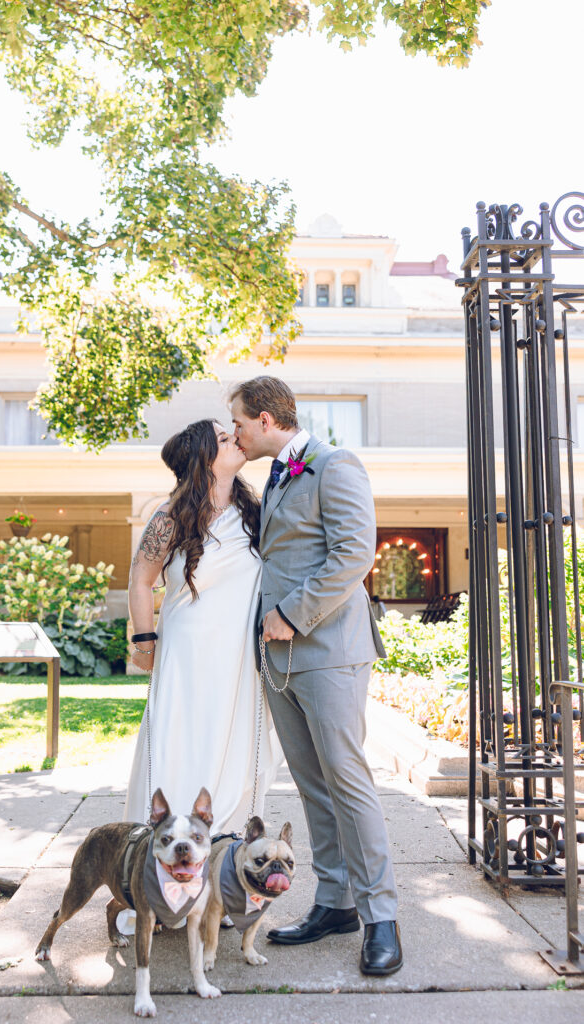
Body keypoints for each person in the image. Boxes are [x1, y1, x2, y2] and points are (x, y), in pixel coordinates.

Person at [230, 376, 403, 977]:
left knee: (349, 785)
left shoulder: (334, 464)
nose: (236, 434)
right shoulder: (274, 476)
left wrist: (290, 614)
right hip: (278, 661)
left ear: (267, 419)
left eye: (240, 424)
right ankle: (335, 904)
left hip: (330, 652)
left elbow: (355, 553)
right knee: (313, 788)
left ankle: (381, 916)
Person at [124, 418, 282, 834]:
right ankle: (165, 834)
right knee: (182, 737)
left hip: (239, 653)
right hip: (187, 651)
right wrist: (144, 643)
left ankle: (225, 837)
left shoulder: (256, 513)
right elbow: (140, 579)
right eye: (225, 439)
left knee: (237, 744)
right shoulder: (170, 515)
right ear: (204, 459)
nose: (236, 441)